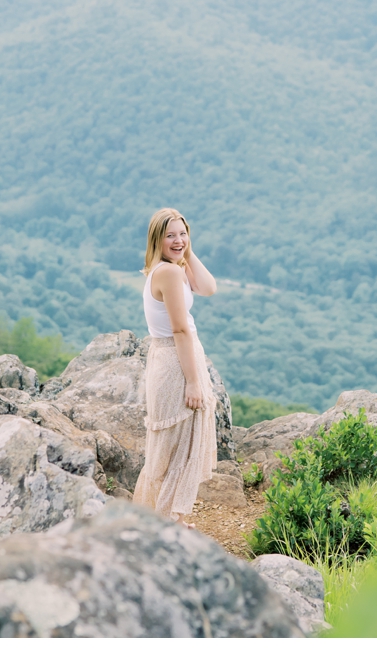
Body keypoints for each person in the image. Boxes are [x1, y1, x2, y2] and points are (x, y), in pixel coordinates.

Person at [132, 207, 219, 527]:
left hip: (172, 357)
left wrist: (187, 251)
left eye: (183, 233)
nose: (178, 240)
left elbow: (208, 287)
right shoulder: (168, 273)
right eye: (170, 235)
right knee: (177, 444)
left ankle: (170, 519)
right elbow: (180, 329)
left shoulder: (169, 268)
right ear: (157, 239)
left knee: (178, 444)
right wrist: (194, 382)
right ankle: (165, 522)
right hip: (175, 361)